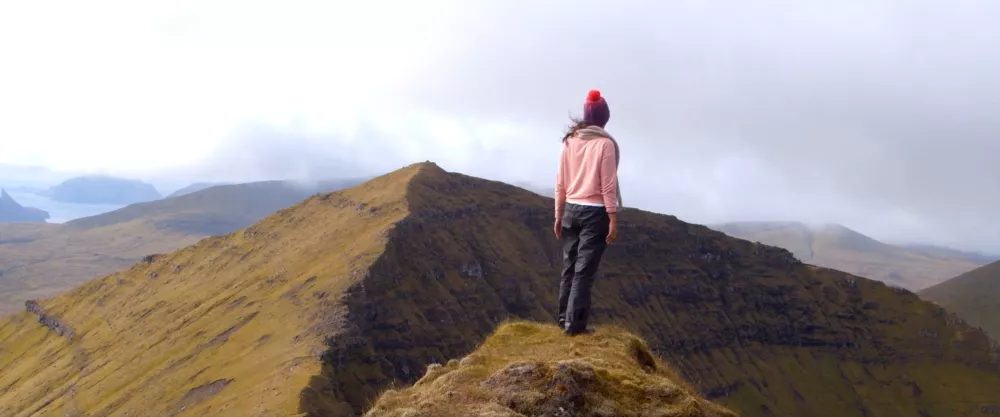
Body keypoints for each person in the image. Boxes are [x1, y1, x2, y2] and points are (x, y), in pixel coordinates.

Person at [553, 89, 623, 336]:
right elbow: (607, 185)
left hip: (571, 210)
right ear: (604, 118)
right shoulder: (605, 144)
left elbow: (560, 182)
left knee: (569, 268)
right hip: (595, 214)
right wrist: (612, 217)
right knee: (583, 273)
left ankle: (563, 320)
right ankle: (575, 327)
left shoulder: (569, 141)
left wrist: (558, 215)